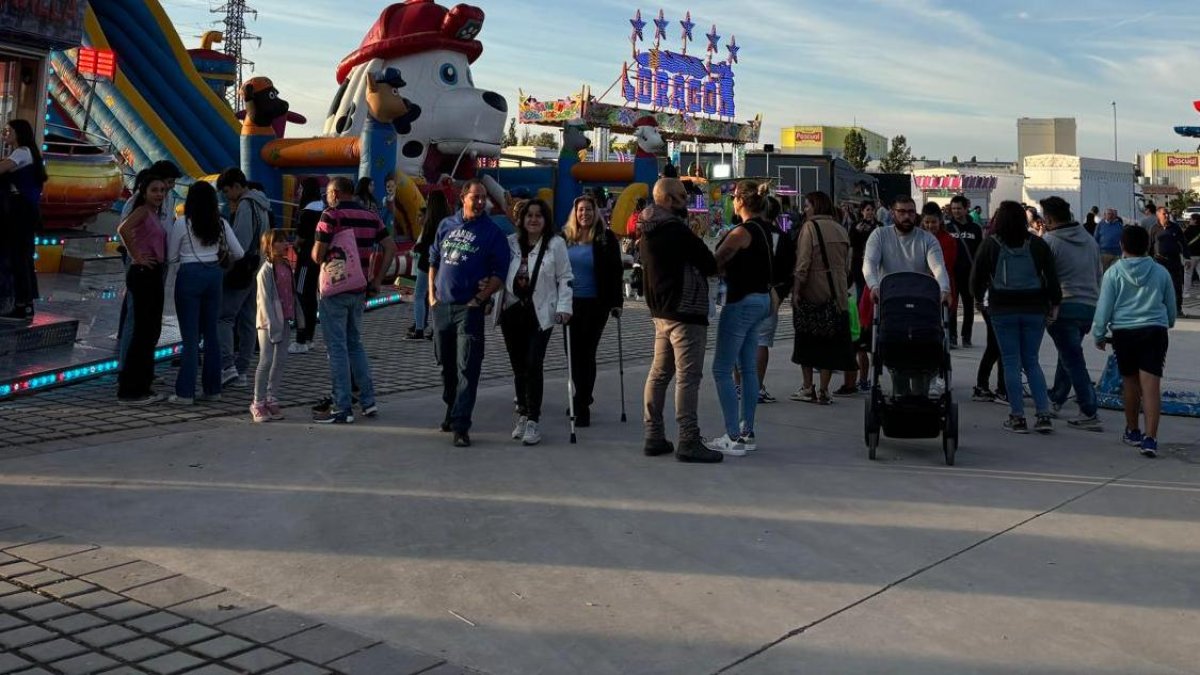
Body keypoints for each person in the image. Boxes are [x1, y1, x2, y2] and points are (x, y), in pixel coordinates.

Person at [640, 178, 723, 463]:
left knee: (659, 373)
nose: (686, 201)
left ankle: (654, 434)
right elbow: (709, 264)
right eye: (681, 196)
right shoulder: (676, 230)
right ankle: (688, 439)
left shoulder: (647, 228)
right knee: (688, 377)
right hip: (685, 311)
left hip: (661, 312)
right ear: (667, 199)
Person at [429, 179, 511, 446]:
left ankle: (461, 425)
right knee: (446, 364)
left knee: (468, 366)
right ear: (463, 197)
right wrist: (431, 296)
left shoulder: (492, 232)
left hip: (469, 309)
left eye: (483, 197)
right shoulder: (446, 225)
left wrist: (481, 298)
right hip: (442, 306)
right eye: (475, 197)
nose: (479, 202)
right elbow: (432, 261)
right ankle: (451, 409)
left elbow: (500, 273)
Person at [970, 201, 1061, 434]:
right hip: (1034, 307)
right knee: (1031, 360)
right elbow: (1051, 277)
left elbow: (977, 277)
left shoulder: (991, 244)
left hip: (1003, 308)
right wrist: (1054, 304)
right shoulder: (1037, 244)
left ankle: (1017, 416)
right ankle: (1043, 414)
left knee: (1011, 361)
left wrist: (980, 299)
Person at [311, 177, 396, 424]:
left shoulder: (331, 215)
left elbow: (317, 256)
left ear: (335, 193)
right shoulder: (371, 215)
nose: (327, 197)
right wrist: (378, 279)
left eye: (328, 193)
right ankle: (368, 402)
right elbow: (390, 247)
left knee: (336, 348)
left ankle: (342, 407)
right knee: (355, 344)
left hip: (335, 289)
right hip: (359, 287)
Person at [702, 181, 774, 456]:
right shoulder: (765, 229)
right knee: (747, 368)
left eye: (734, 197)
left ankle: (733, 435)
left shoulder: (742, 232)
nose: (732, 202)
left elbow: (716, 260)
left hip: (741, 301)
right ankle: (747, 431)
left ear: (741, 201)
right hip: (761, 300)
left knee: (721, 369)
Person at [1093, 226, 1176, 457]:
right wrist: (1167, 322)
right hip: (1154, 330)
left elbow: (1104, 308)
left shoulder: (1113, 273)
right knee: (1151, 386)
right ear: (1148, 246)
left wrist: (1099, 334)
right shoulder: (1161, 272)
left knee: (1130, 383)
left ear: (1122, 246)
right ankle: (1151, 438)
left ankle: (1132, 430)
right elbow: (1170, 306)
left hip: (1124, 333)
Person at [498, 199, 572, 446]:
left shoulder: (556, 244)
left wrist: (564, 307)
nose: (533, 219)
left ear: (545, 219)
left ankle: (533, 419)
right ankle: (522, 413)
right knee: (519, 366)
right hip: (512, 311)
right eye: (528, 215)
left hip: (541, 313)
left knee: (533, 362)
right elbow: (498, 272)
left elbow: (565, 278)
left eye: (538, 216)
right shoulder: (510, 243)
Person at [862, 195, 951, 398]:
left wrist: (944, 289)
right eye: (901, 212)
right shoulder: (880, 235)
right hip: (891, 305)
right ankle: (901, 396)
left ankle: (920, 395)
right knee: (895, 352)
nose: (907, 216)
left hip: (921, 307)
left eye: (911, 212)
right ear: (893, 213)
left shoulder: (927, 239)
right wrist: (874, 286)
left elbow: (938, 267)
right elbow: (869, 263)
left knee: (925, 351)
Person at [166, 181, 243, 405]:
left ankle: (185, 393)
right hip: (214, 275)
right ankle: (212, 389)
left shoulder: (182, 224)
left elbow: (171, 257)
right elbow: (238, 252)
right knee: (211, 334)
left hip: (189, 276)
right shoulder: (220, 223)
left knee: (190, 338)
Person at [1040, 196, 1103, 431]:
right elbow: (1099, 273)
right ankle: (1056, 397)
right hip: (1088, 306)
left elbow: (1044, 278)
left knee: (1073, 359)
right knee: (1068, 353)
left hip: (1063, 307)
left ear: (1048, 218)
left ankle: (1089, 410)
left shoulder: (1049, 242)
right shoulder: (1089, 240)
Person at [562, 194, 625, 427]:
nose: (584, 214)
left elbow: (615, 271)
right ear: (574, 213)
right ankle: (582, 395)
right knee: (571, 354)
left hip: (596, 304)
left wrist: (617, 303)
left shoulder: (605, 238)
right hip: (570, 303)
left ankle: (582, 405)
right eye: (580, 210)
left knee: (586, 354)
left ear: (595, 212)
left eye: (588, 210)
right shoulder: (565, 237)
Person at [790, 191, 855, 406]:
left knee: (806, 342)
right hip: (836, 295)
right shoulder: (841, 229)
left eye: (807, 205)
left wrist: (796, 291)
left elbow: (803, 264)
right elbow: (847, 267)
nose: (805, 210)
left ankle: (808, 387)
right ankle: (825, 390)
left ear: (816, 206)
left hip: (813, 293)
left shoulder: (810, 228)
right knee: (829, 343)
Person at [115, 175, 169, 404]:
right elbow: (123, 229)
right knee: (141, 331)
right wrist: (135, 255)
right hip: (143, 273)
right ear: (144, 192)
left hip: (154, 272)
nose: (159, 194)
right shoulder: (142, 210)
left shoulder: (155, 213)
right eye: (155, 190)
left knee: (150, 331)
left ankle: (143, 386)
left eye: (162, 190)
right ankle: (130, 390)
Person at [216, 168, 271, 387]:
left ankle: (228, 366)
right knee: (248, 319)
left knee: (225, 317)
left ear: (237, 186)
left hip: (243, 269)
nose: (227, 196)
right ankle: (243, 369)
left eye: (227, 191)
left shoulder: (246, 206)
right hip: (257, 267)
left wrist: (226, 264)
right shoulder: (262, 204)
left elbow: (239, 242)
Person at [0, 119, 47, 321]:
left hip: (21, 211)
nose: (5, 134)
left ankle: (21, 304)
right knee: (24, 257)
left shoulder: (21, 152)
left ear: (19, 133)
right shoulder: (28, 153)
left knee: (19, 257)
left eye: (8, 131)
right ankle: (25, 303)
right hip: (27, 211)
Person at [250, 229, 294, 422]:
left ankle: (271, 397)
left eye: (285, 240)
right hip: (267, 322)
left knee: (281, 359)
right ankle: (257, 402)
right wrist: (271, 324)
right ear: (269, 246)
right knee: (266, 360)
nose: (285, 244)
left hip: (284, 318)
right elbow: (265, 300)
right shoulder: (265, 271)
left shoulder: (286, 266)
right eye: (280, 241)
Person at [753, 196, 793, 404]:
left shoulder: (747, 231)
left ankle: (739, 384)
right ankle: (757, 387)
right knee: (761, 342)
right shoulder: (783, 237)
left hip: (743, 293)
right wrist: (781, 293)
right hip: (770, 293)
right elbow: (788, 270)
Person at [408, 189, 451, 340]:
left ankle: (419, 328)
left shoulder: (429, 222)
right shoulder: (448, 222)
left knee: (419, 295)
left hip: (425, 263)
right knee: (438, 296)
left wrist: (415, 249)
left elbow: (424, 244)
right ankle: (435, 329)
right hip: (442, 263)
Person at [945, 195, 983, 347]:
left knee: (968, 307)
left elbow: (980, 251)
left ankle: (966, 336)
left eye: (959, 208)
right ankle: (952, 336)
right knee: (952, 306)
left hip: (969, 274)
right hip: (952, 274)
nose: (956, 212)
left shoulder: (975, 229)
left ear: (966, 208)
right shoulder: (947, 228)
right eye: (953, 209)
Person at [291, 178, 323, 353]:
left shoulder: (307, 211)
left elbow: (299, 239)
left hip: (305, 259)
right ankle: (309, 338)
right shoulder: (323, 208)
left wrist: (295, 246)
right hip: (318, 259)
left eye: (301, 188)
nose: (299, 192)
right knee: (311, 298)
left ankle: (301, 340)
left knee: (301, 296)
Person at [923, 202, 959, 346]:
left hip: (940, 288)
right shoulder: (917, 237)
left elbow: (946, 266)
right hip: (921, 288)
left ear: (940, 221)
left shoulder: (948, 240)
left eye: (933, 222)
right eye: (926, 222)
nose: (930, 226)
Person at [1149, 206, 1189, 316]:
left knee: (1176, 285)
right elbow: (1150, 245)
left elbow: (1183, 243)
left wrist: (1187, 258)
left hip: (1174, 261)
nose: (1166, 215)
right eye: (1164, 214)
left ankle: (1178, 309)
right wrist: (1147, 259)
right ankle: (1158, 308)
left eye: (1167, 213)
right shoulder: (1154, 229)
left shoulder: (1175, 228)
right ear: (1158, 215)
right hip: (1159, 261)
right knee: (1158, 286)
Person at [848, 201, 879, 300]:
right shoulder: (856, 225)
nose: (870, 212)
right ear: (862, 211)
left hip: (875, 263)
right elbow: (851, 243)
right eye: (867, 210)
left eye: (872, 210)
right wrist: (857, 232)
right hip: (859, 263)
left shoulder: (879, 226)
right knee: (860, 292)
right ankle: (860, 314)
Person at [1183, 213, 1200, 298]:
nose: (1189, 221)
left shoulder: (1188, 230)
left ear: (1195, 220)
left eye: (1190, 219)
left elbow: (1183, 242)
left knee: (1187, 274)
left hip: (1190, 256)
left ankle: (1186, 292)